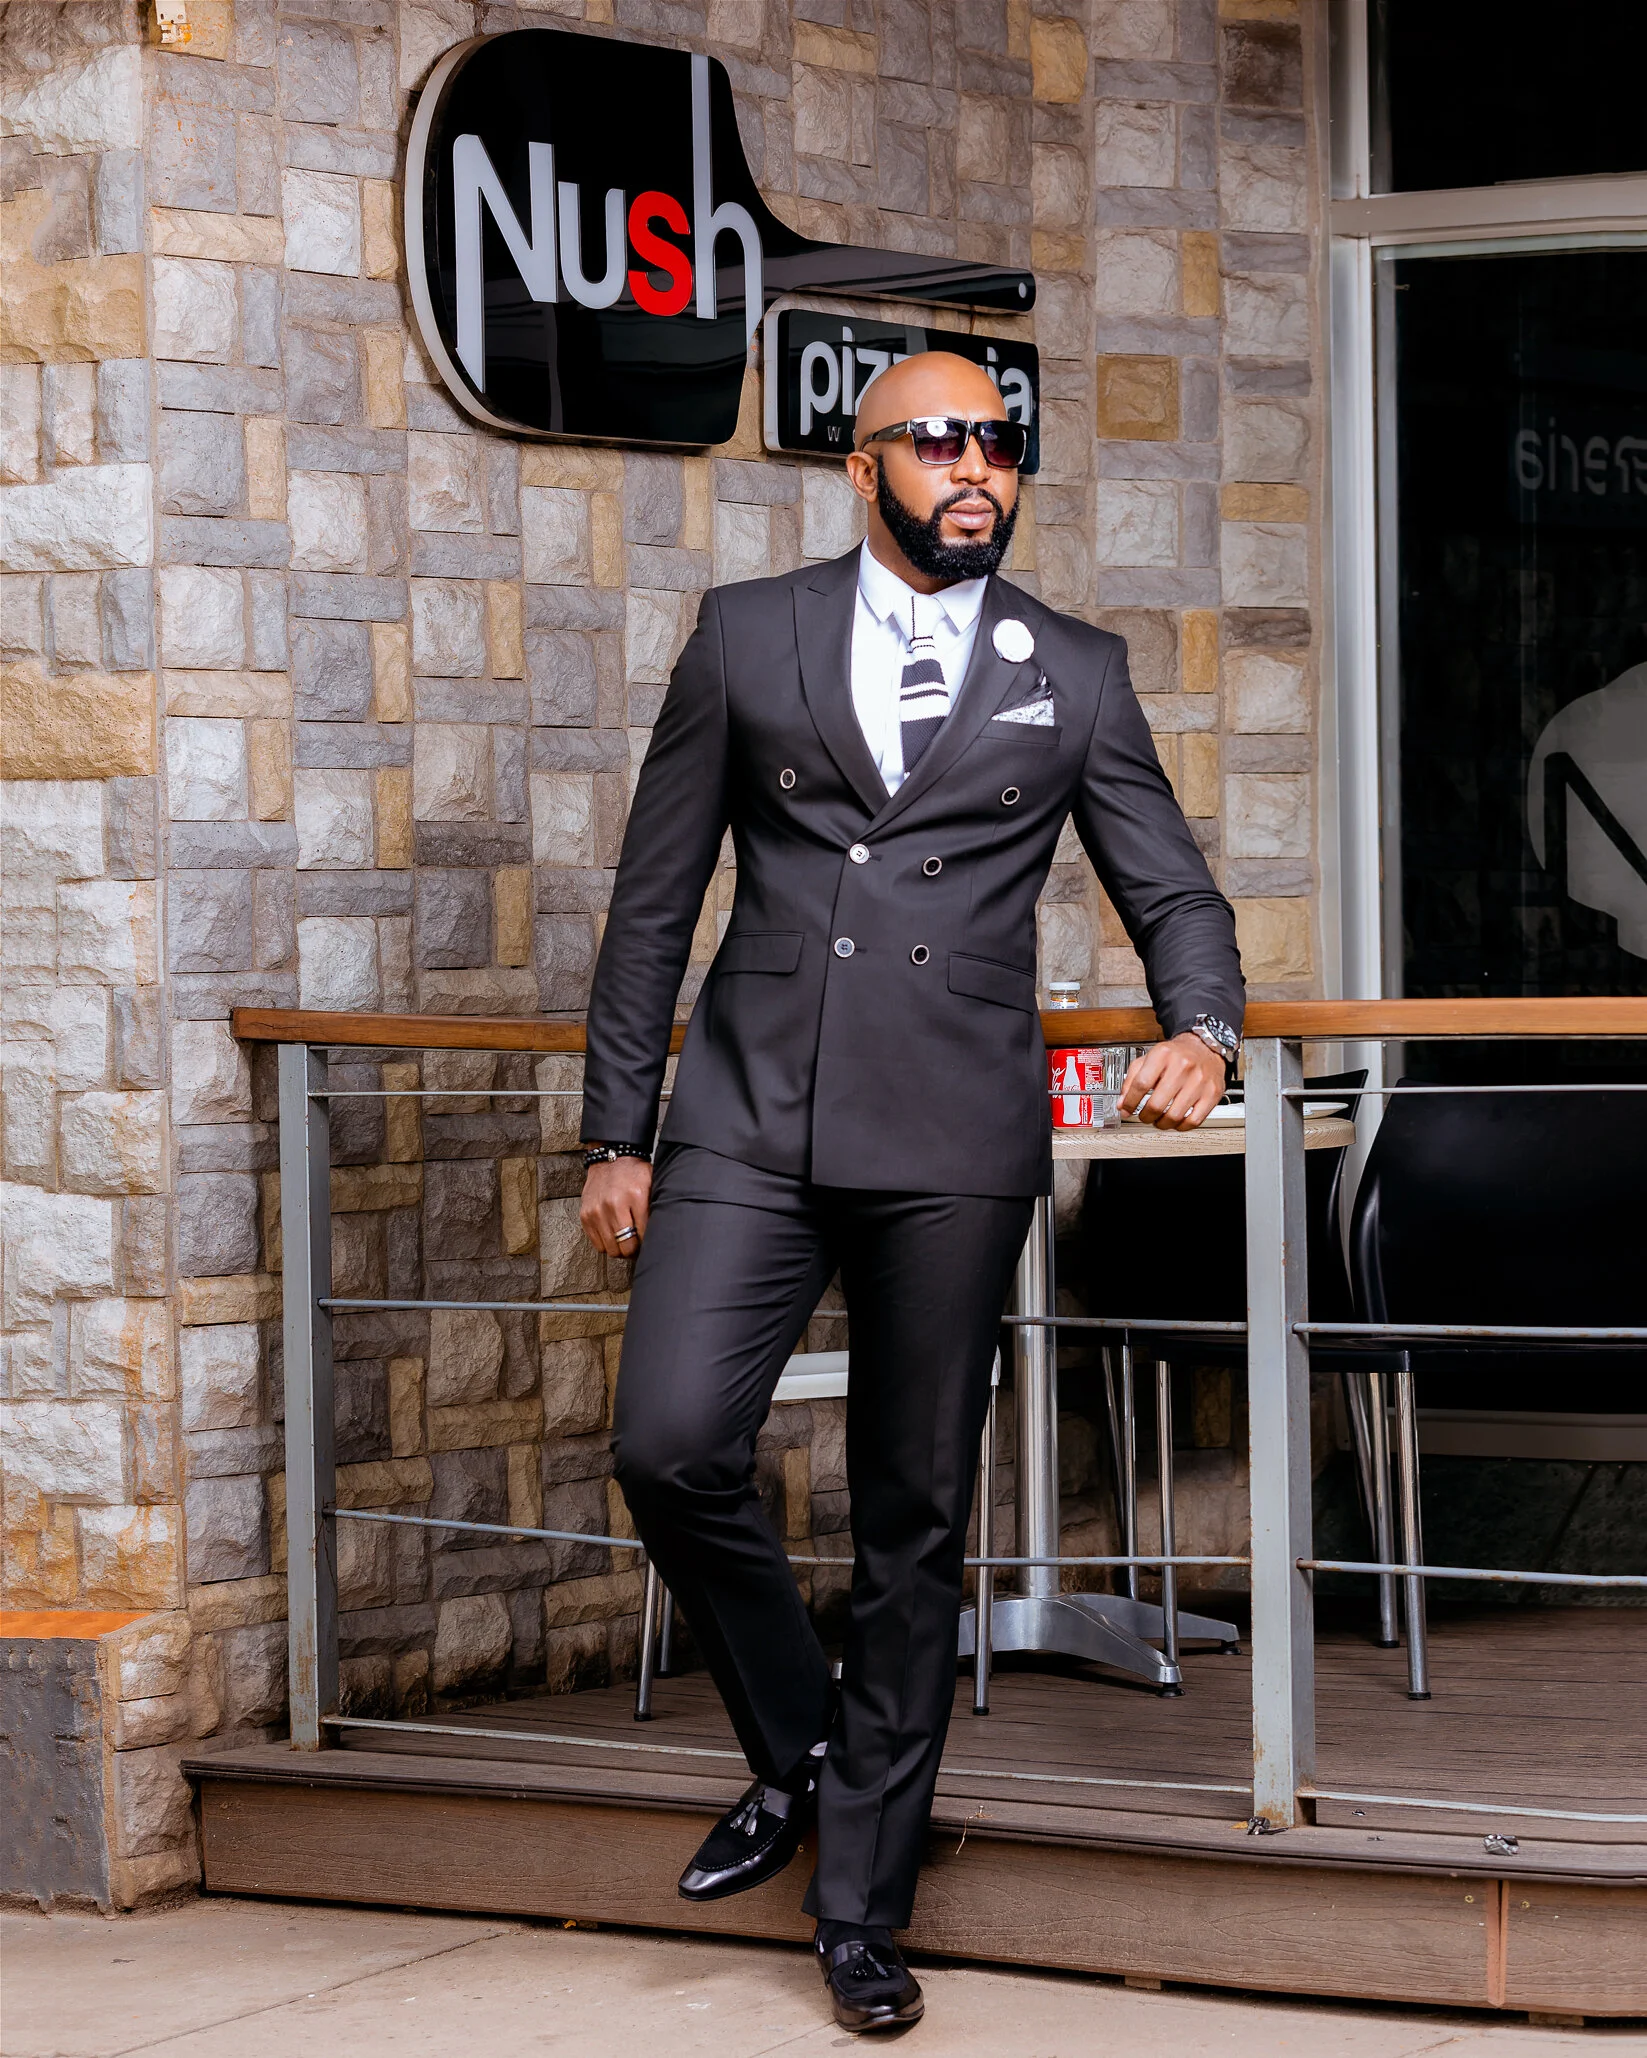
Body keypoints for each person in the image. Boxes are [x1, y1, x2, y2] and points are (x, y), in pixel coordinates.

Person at [578, 352, 1244, 2033]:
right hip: (746, 1117)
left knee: (910, 1518)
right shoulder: (747, 634)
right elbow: (653, 899)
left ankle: (860, 1905)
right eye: (940, 440)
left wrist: (1203, 1026)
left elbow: (1172, 890)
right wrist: (615, 1130)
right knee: (667, 1440)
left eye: (998, 444)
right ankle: (811, 1750)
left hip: (948, 1134)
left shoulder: (1070, 669)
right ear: (860, 465)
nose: (975, 468)